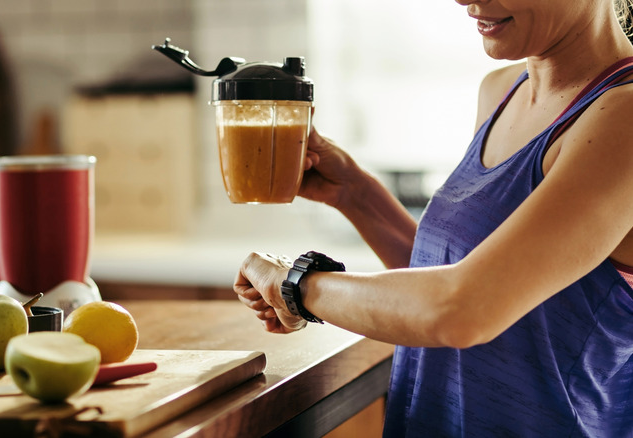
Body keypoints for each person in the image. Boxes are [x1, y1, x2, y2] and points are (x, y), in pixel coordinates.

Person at [233, 0, 633, 436]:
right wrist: (355, 192)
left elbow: (461, 309)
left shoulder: (623, 116)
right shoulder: (502, 90)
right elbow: (461, 281)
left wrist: (296, 285)